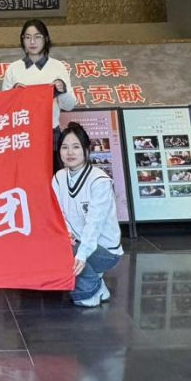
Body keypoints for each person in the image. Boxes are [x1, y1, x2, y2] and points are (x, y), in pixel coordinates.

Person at [52, 122, 123, 308]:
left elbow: (94, 224)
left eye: (76, 147)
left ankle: (89, 288)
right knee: (52, 243)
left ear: (86, 150)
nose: (70, 152)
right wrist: (66, 234)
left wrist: (81, 254)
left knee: (66, 252)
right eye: (65, 147)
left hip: (105, 251)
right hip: (76, 242)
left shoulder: (99, 181)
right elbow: (59, 213)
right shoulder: (59, 177)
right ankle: (97, 283)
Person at [1, 19, 78, 128]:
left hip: (50, 130)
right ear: (22, 40)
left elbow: (69, 106)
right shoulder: (13, 68)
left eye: (37, 37)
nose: (32, 41)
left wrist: (62, 90)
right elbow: (4, 107)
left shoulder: (58, 67)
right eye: (27, 37)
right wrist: (14, 93)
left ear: (46, 39)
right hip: (21, 131)